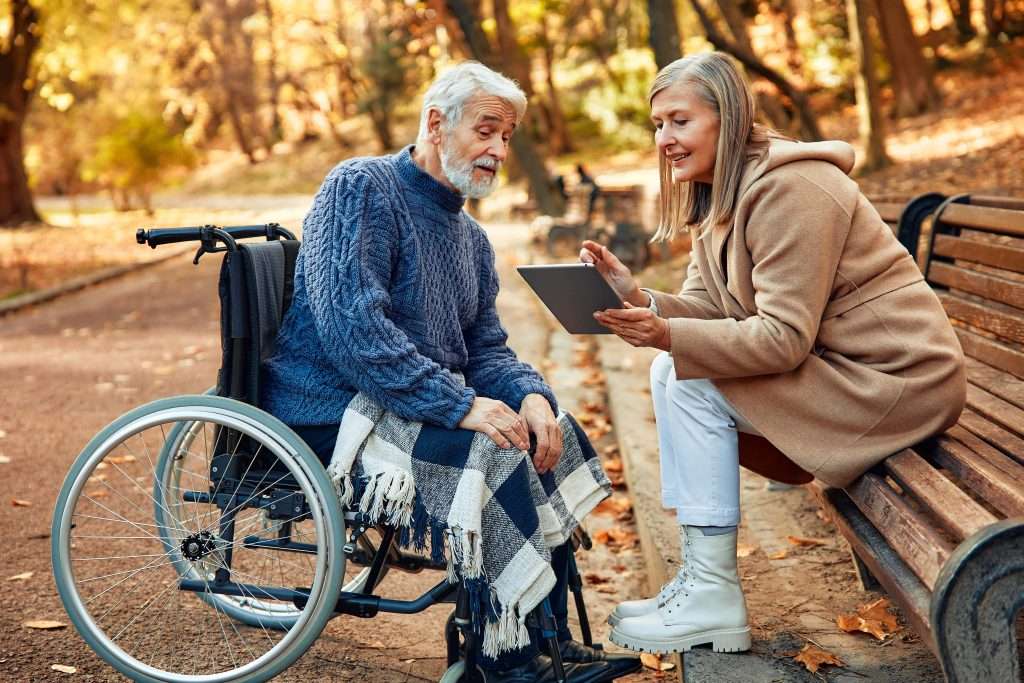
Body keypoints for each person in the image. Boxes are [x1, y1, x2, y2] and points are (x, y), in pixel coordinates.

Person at [262, 61, 639, 682]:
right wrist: (462, 406)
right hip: (332, 408)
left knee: (550, 434)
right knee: (494, 451)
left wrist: (530, 397)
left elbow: (486, 349)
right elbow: (355, 331)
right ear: (436, 124)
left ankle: (542, 631)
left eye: (508, 137)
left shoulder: (470, 237)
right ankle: (508, 661)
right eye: (486, 130)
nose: (498, 150)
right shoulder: (361, 187)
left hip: (405, 402)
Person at [580, 52, 966, 655]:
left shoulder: (792, 190)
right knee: (673, 368)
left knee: (684, 377)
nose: (665, 141)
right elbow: (708, 309)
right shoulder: (723, 196)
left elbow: (783, 339)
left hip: (895, 383)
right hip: (843, 374)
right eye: (658, 126)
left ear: (727, 119)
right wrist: (637, 298)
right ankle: (701, 580)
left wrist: (668, 337)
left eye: (679, 122)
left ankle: (713, 593)